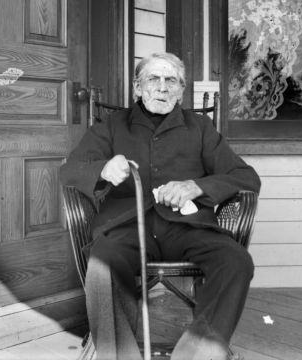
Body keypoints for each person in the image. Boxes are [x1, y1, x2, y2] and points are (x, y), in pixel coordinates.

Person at [59, 52, 260, 360]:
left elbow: (245, 177)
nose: (163, 88)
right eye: (153, 79)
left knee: (236, 262)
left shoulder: (200, 127)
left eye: (171, 81)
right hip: (127, 226)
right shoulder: (114, 125)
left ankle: (198, 354)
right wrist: (103, 169)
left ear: (181, 91)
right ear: (137, 87)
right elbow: (70, 170)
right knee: (103, 263)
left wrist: (197, 187)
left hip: (189, 228)